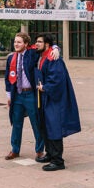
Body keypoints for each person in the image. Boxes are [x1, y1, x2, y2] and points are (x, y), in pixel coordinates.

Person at [4, 32, 59, 160]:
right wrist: (9, 96)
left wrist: (56, 48)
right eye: (15, 42)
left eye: (19, 42)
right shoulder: (11, 58)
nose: (16, 44)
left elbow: (45, 46)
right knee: (16, 123)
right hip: (17, 94)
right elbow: (7, 77)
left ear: (26, 44)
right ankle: (15, 150)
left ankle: (39, 150)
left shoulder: (32, 53)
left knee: (36, 123)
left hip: (31, 94)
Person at [35, 34, 81, 171]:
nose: (36, 44)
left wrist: (45, 88)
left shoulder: (53, 58)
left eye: (39, 42)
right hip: (44, 98)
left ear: (47, 44)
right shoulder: (42, 55)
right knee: (45, 126)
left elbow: (57, 80)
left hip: (53, 99)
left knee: (53, 127)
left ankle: (58, 161)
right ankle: (50, 154)